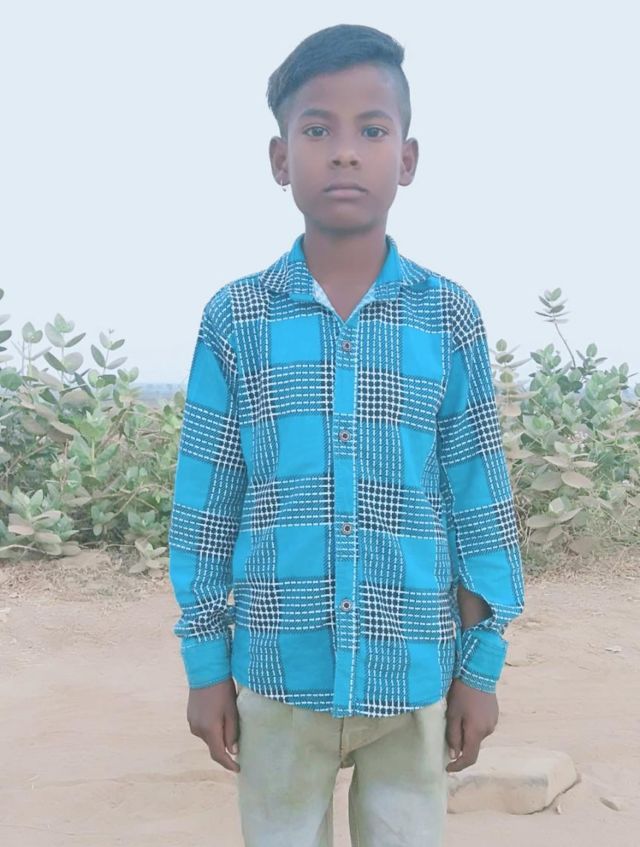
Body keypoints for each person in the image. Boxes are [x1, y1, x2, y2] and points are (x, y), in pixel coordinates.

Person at [168, 23, 525, 847]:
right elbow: (206, 509)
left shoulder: (448, 317)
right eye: (316, 129)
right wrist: (206, 664)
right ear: (279, 158)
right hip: (277, 673)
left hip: (413, 673)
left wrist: (481, 666)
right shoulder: (236, 320)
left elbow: (479, 502)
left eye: (371, 129)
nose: (343, 152)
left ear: (407, 158)